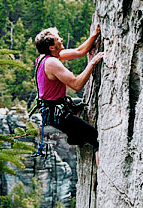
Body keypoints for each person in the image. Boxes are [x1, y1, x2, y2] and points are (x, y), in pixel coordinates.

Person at [34, 24, 104, 166]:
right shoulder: (52, 63)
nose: (61, 39)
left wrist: (95, 34)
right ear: (52, 47)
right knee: (96, 138)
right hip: (59, 115)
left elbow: (79, 51)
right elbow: (77, 84)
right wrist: (93, 63)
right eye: (57, 38)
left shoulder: (46, 57)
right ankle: (103, 172)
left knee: (80, 104)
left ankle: (75, 136)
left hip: (56, 109)